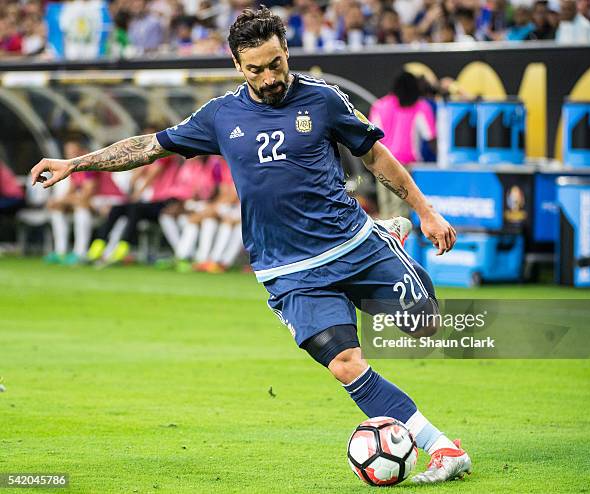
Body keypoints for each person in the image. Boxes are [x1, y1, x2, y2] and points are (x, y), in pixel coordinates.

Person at [30, 7, 470, 484]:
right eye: (255, 69)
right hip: (289, 271)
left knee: (425, 326)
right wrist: (76, 163)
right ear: (238, 66)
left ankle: (387, 235)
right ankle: (442, 447)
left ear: (286, 52)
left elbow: (376, 154)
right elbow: (148, 147)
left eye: (275, 63)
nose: (268, 77)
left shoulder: (323, 101)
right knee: (346, 365)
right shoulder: (221, 115)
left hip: (352, 244)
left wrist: (426, 211)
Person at [369, 71, 436, 219]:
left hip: (382, 162)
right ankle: (402, 242)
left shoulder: (380, 105)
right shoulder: (421, 107)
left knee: (386, 212)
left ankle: (387, 241)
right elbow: (430, 137)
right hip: (407, 166)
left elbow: (372, 136)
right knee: (402, 215)